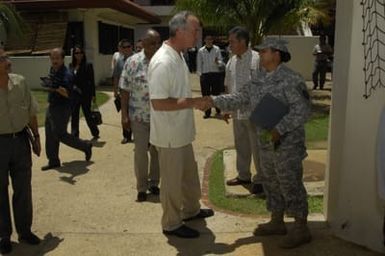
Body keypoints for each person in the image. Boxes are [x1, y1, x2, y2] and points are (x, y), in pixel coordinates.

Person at [200, 38, 312, 248]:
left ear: (277, 54)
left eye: (264, 51)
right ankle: (277, 221)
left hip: (287, 144)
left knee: (291, 183)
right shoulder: (259, 79)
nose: (260, 54)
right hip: (267, 143)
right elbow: (239, 98)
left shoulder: (291, 79)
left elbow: (303, 110)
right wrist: (213, 100)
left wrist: (280, 129)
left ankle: (300, 228)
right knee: (271, 181)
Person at [148, 11, 214, 239]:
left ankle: (191, 211)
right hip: (169, 136)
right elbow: (157, 102)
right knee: (172, 182)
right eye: (195, 30)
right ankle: (172, 223)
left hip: (181, 132)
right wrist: (194, 102)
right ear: (180, 31)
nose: (198, 35)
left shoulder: (179, 55)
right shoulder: (162, 61)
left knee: (188, 176)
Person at [0, 49, 41, 254]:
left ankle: (25, 231)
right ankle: (3, 236)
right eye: (2, 59)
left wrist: (36, 138)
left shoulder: (20, 82)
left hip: (21, 141)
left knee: (23, 188)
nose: (8, 61)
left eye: (7, 57)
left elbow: (31, 111)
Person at [119, 29, 161, 202]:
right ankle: (141, 187)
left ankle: (154, 183)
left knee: (157, 152)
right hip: (138, 116)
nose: (156, 46)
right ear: (142, 43)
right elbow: (124, 89)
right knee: (141, 153)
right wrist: (124, 115)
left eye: (158, 42)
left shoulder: (164, 61)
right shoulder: (132, 62)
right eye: (152, 43)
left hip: (160, 116)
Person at [223, 26, 264, 195]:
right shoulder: (231, 61)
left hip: (256, 113)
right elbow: (228, 85)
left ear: (242, 41)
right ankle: (244, 175)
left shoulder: (258, 59)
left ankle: (262, 179)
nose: (229, 45)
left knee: (258, 147)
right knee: (241, 145)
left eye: (232, 41)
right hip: (237, 112)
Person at [41, 48, 92, 171]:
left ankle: (85, 146)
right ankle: (53, 160)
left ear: (63, 59)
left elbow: (67, 93)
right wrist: (49, 86)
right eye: (52, 58)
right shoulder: (53, 70)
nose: (54, 61)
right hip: (52, 105)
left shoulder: (67, 74)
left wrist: (56, 87)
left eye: (57, 58)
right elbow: (52, 86)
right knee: (49, 132)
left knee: (60, 134)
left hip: (62, 107)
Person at [69, 46, 100, 140]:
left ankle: (95, 132)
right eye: (76, 53)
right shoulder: (71, 66)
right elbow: (69, 79)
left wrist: (93, 95)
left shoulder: (88, 65)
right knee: (74, 115)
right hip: (74, 95)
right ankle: (74, 134)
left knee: (88, 114)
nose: (79, 55)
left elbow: (91, 81)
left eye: (80, 53)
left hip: (85, 94)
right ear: (73, 55)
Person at [196, 35, 224, 118]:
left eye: (210, 39)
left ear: (212, 40)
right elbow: (199, 62)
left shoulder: (217, 49)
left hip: (215, 73)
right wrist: (200, 74)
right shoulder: (201, 50)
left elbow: (221, 61)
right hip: (205, 74)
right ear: (205, 40)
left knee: (216, 93)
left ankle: (218, 110)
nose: (209, 41)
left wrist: (218, 62)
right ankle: (207, 112)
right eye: (207, 39)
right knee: (205, 94)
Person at [112, 39, 133, 144]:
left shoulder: (137, 59)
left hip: (135, 93)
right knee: (124, 114)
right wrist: (115, 91)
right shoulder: (119, 61)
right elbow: (116, 76)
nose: (126, 49)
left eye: (128, 46)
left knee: (135, 114)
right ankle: (126, 136)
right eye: (124, 47)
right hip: (123, 92)